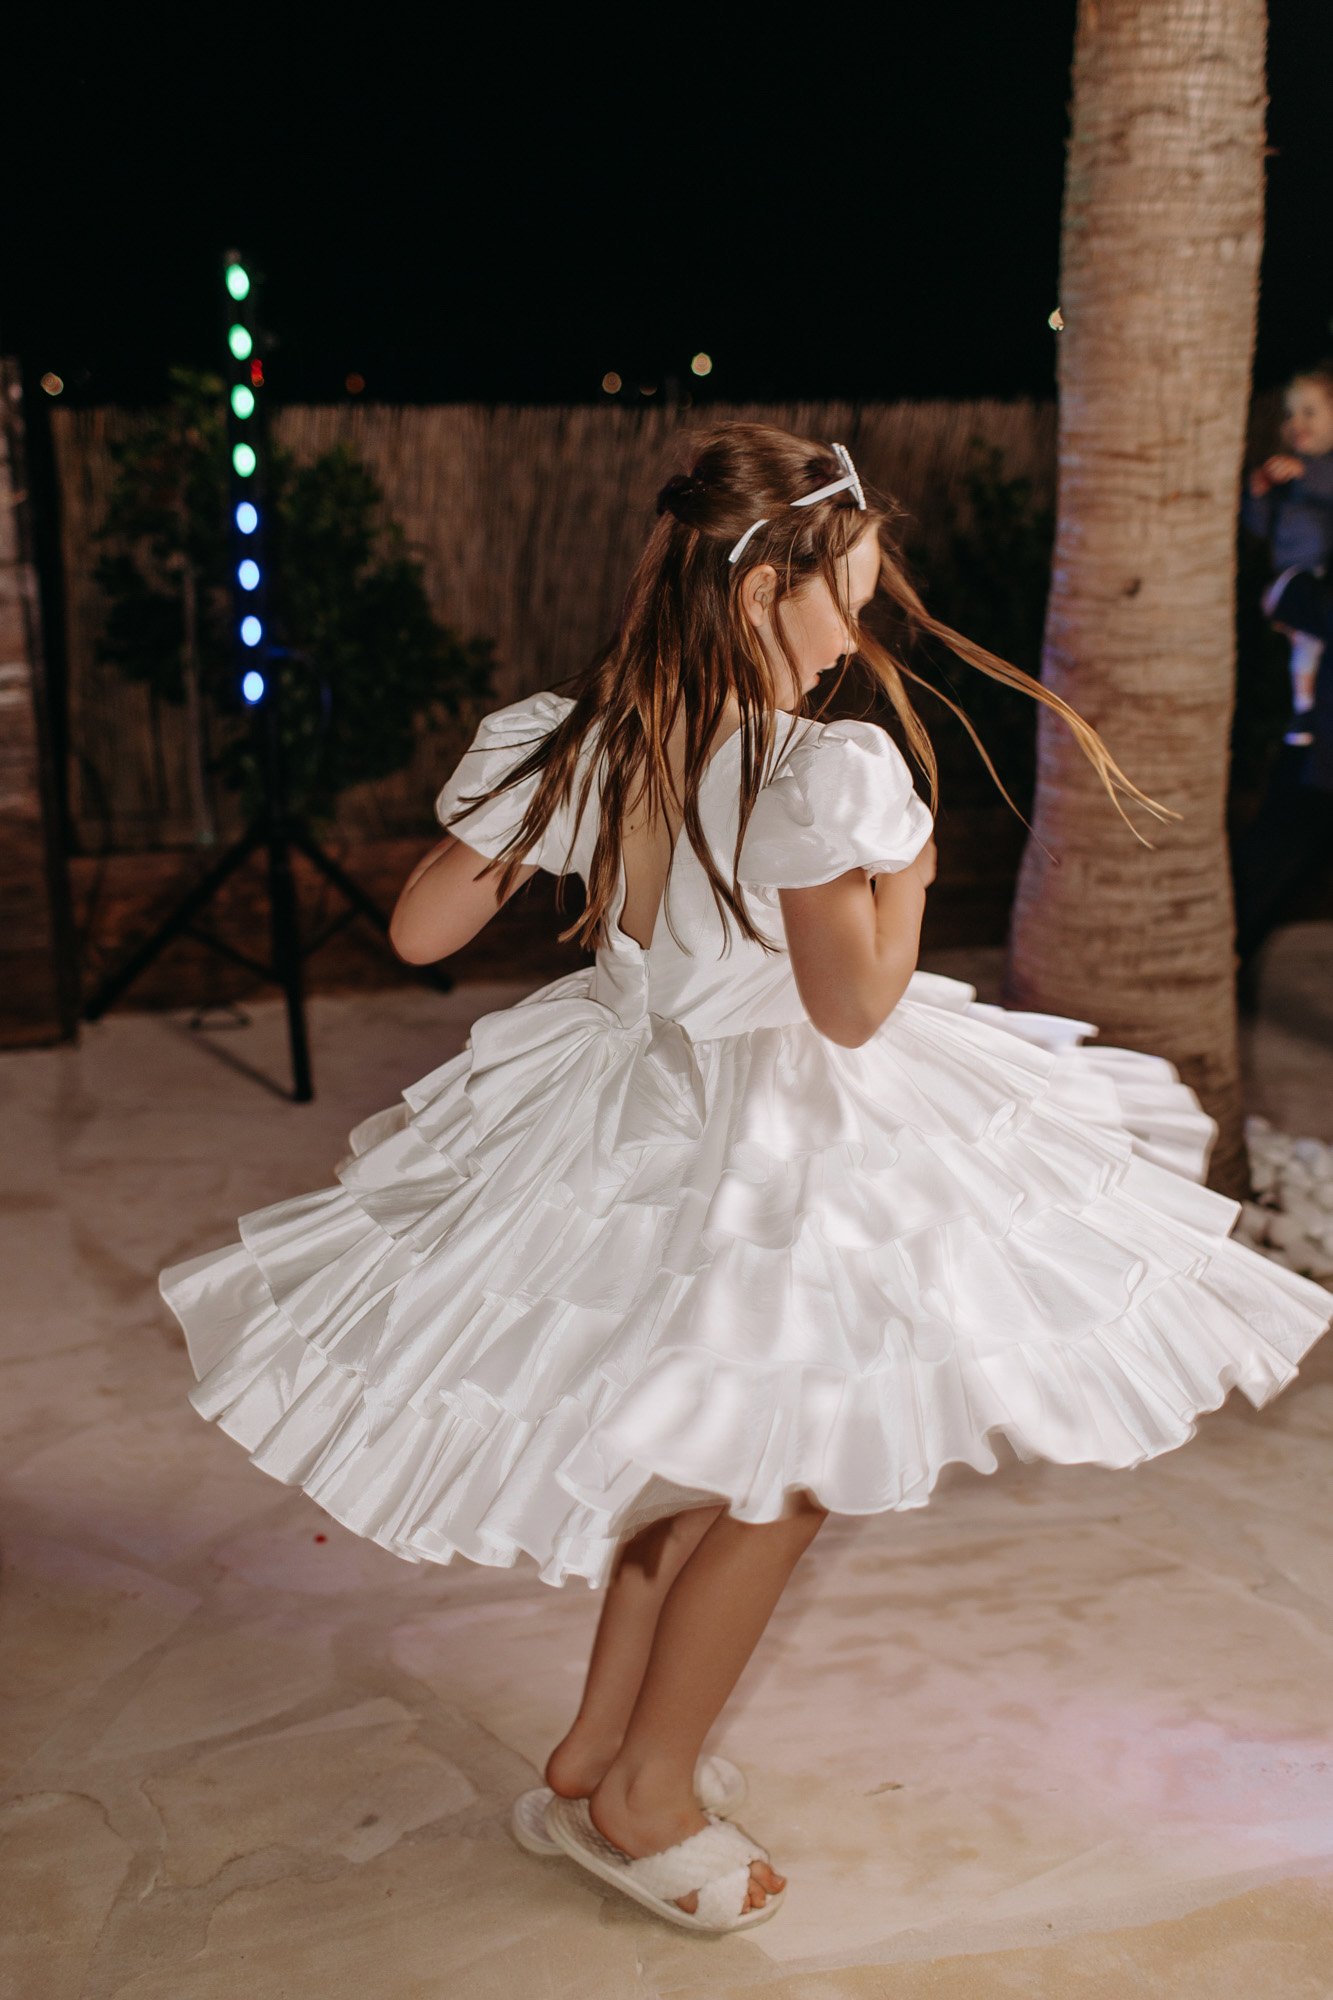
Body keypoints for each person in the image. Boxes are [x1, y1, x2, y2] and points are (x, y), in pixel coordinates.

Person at [159, 424, 1333, 1935]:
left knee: (687, 1450)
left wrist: (527, 822)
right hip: (768, 1137)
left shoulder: (581, 735)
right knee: (779, 1474)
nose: (862, 624)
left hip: (623, 1117)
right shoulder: (818, 771)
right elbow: (850, 1010)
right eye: (848, 589)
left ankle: (595, 1747)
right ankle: (644, 1786)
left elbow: (421, 935)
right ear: (771, 587)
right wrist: (905, 891)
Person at [1242, 361, 1333, 747]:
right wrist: (1259, 493)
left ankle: (1305, 712)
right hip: (1291, 578)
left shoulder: (1319, 471)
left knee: (1311, 650)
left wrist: (1304, 474)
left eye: (1310, 412)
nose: (1297, 422)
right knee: (1310, 642)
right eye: (1291, 413)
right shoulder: (1286, 472)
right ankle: (1304, 711)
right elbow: (1261, 528)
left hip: (1317, 580)